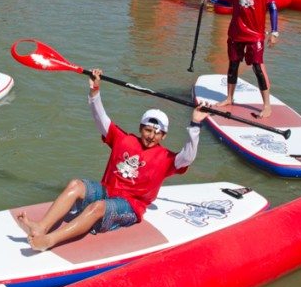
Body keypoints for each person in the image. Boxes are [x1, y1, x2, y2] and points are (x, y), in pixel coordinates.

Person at [16, 69, 208, 252]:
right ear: (141, 129)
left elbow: (188, 156)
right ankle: (41, 227)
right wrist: (94, 91)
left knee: (97, 207)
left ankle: (49, 240)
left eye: (157, 133)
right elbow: (101, 119)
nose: (151, 136)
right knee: (76, 184)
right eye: (148, 130)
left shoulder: (167, 158)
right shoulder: (124, 140)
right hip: (107, 192)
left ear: (164, 136)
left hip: (131, 206)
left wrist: (195, 124)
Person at [200, 0, 279, 118]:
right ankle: (229, 98)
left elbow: (272, 7)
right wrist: (211, 0)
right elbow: (230, 2)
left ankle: (267, 106)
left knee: (258, 67)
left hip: (255, 35)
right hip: (236, 32)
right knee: (233, 64)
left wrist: (274, 32)